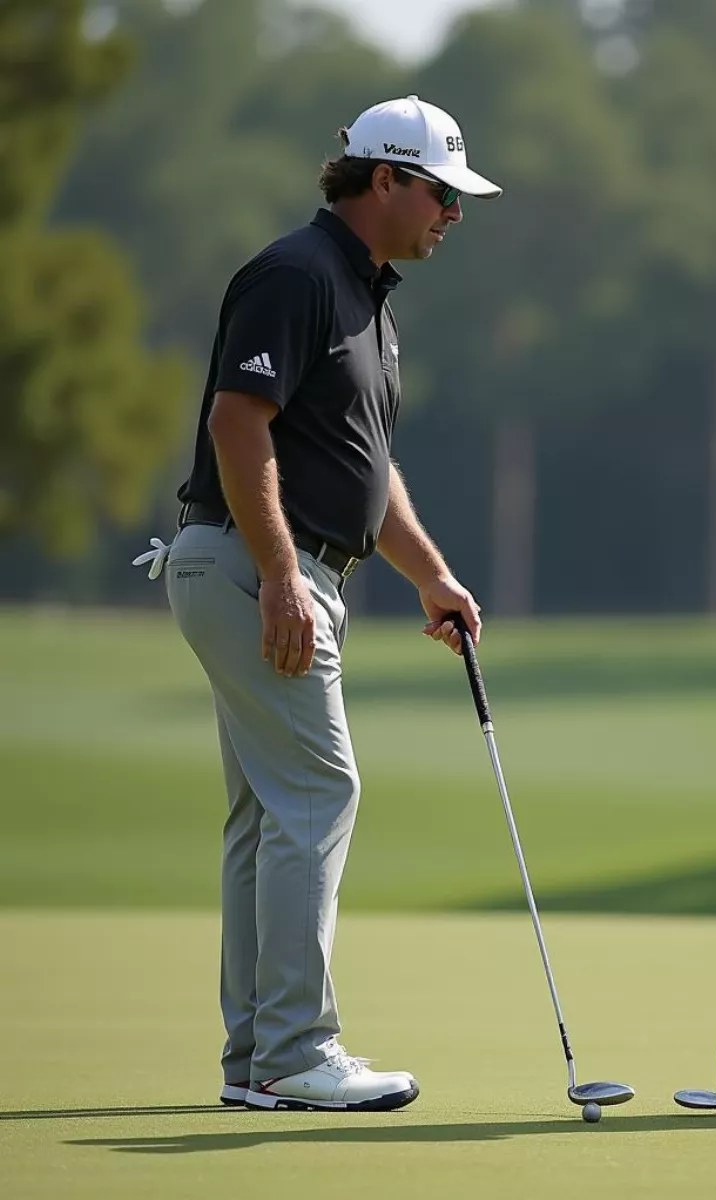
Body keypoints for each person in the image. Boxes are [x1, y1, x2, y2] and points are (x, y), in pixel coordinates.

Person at [133, 96, 501, 1112]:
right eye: (441, 193)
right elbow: (236, 424)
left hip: (271, 569)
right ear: (382, 179)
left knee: (268, 812)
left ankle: (258, 1056)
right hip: (257, 570)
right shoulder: (296, 275)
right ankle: (298, 1050)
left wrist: (429, 573)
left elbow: (366, 474)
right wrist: (287, 577)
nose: (453, 215)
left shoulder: (368, 302)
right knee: (318, 795)